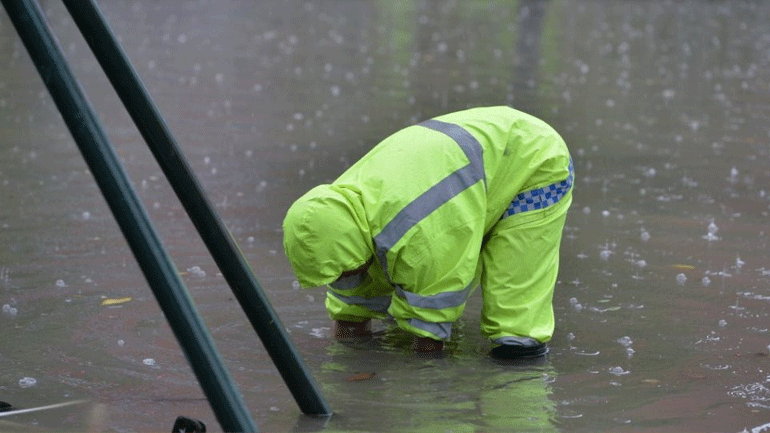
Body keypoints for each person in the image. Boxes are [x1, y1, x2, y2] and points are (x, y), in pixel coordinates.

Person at [282, 106, 573, 358]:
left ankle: (521, 385)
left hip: (533, 158)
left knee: (514, 316)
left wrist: (422, 381)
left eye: (341, 273)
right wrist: (347, 337)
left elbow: (429, 331)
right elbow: (351, 296)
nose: (341, 279)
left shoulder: (419, 235)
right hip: (476, 158)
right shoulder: (339, 209)